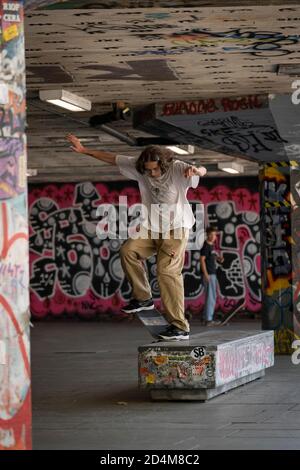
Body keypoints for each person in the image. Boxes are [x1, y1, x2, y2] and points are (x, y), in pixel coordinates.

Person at [66, 134, 207, 340]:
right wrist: (84, 150)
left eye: (155, 169)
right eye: (148, 170)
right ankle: (143, 297)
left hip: (176, 229)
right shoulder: (140, 166)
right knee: (128, 251)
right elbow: (112, 158)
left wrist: (196, 170)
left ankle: (180, 326)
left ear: (164, 164)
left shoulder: (177, 168)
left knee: (166, 271)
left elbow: (203, 170)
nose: (151, 173)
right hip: (151, 228)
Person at [200, 226, 224, 327]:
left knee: (212, 296)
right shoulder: (206, 246)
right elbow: (202, 260)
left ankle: (206, 317)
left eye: (215, 235)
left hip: (212, 274)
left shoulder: (212, 246)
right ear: (208, 235)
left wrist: (219, 259)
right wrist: (205, 274)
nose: (215, 237)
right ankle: (208, 320)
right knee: (211, 297)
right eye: (213, 235)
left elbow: (212, 258)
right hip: (209, 274)